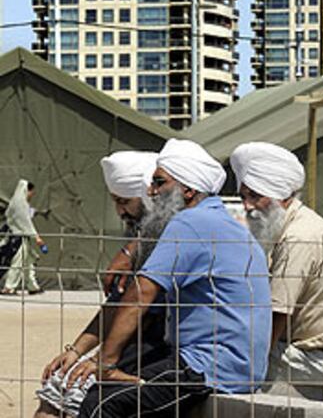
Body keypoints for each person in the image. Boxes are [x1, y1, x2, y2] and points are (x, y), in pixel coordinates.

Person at [70, 138, 272, 418]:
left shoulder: (190, 222)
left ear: (187, 190)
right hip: (228, 363)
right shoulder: (220, 222)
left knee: (101, 404)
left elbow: (142, 292)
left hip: (209, 366)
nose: (150, 191)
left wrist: (105, 361)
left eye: (159, 183)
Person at [34, 150, 168, 418]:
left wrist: (101, 359)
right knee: (58, 384)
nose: (120, 212)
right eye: (115, 202)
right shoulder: (145, 239)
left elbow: (136, 308)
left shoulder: (172, 236)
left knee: (76, 390)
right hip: (134, 343)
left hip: (163, 348)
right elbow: (116, 304)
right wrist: (75, 351)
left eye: (125, 202)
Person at [230, 142, 323, 394]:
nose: (247, 206)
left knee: (229, 352)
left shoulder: (297, 237)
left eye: (255, 196)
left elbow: (277, 314)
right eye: (243, 197)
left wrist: (248, 366)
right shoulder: (292, 224)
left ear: (281, 197)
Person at [1, 179, 45, 295]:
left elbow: (11, 216)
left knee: (29, 262)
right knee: (18, 263)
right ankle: (9, 287)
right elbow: (26, 222)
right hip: (19, 238)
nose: (31, 195)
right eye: (31, 192)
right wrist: (37, 237)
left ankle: (32, 286)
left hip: (20, 237)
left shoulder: (14, 203)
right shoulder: (21, 204)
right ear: (27, 190)